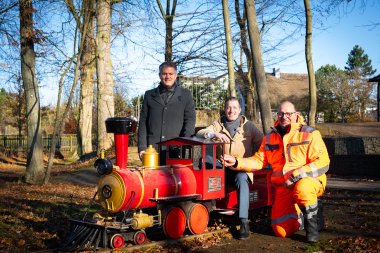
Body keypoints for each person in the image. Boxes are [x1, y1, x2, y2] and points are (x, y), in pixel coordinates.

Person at [221, 101, 330, 243]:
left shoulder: (310, 134)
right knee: (281, 231)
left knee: (303, 189)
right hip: (284, 187)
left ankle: (313, 228)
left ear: (296, 115)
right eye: (281, 113)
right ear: (277, 115)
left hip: (308, 181)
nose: (284, 117)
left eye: (288, 114)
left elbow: (323, 162)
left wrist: (296, 176)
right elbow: (258, 161)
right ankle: (301, 214)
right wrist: (236, 162)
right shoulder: (270, 137)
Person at [196, 97, 263, 240]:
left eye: (234, 107)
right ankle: (205, 211)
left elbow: (263, 143)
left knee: (241, 179)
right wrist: (214, 134)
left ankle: (244, 222)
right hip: (221, 169)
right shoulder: (217, 124)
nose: (231, 110)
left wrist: (253, 161)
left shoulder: (249, 126)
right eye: (228, 107)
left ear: (239, 110)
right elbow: (199, 133)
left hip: (240, 168)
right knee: (206, 166)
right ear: (225, 109)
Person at [138, 62, 196, 164]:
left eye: (171, 74)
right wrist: (142, 147)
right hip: (152, 150)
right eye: (164, 73)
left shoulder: (186, 95)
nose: (167, 76)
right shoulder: (149, 95)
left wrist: (185, 145)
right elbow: (143, 123)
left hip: (176, 150)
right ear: (160, 75)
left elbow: (190, 121)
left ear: (176, 75)